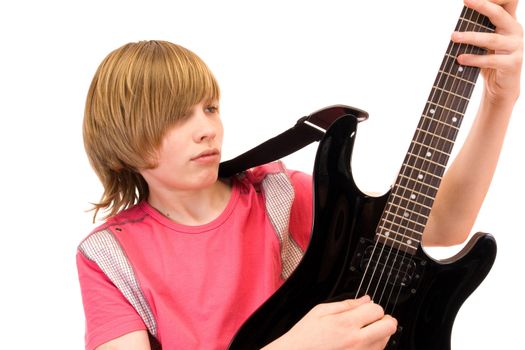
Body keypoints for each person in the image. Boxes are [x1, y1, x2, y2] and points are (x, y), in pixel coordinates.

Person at [76, 0, 523, 348]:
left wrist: (498, 102)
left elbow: (446, 224)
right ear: (119, 145)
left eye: (210, 108)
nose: (206, 129)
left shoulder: (276, 196)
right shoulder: (110, 256)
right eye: (176, 117)